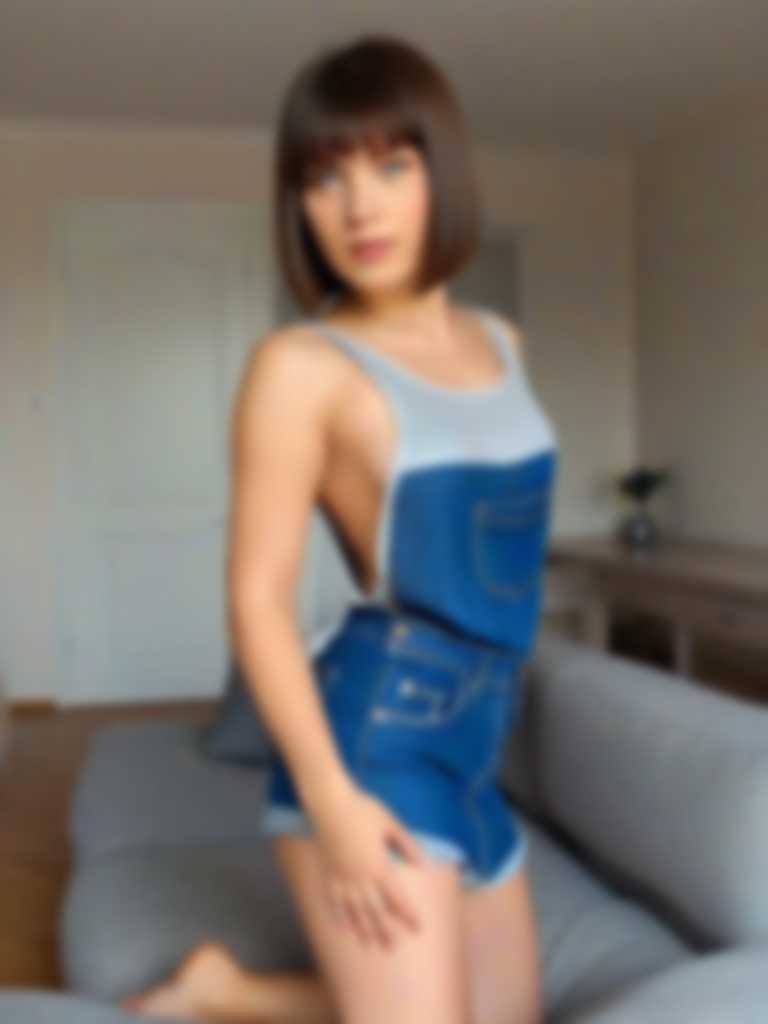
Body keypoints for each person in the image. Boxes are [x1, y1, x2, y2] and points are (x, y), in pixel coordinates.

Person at [121, 31, 558, 1024]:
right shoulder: (301, 367)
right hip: (378, 736)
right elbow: (256, 603)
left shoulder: (502, 341)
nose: (359, 207)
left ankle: (223, 991)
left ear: (441, 172)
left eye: (391, 166)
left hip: (481, 738)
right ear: (300, 202)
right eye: (325, 178)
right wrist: (332, 801)